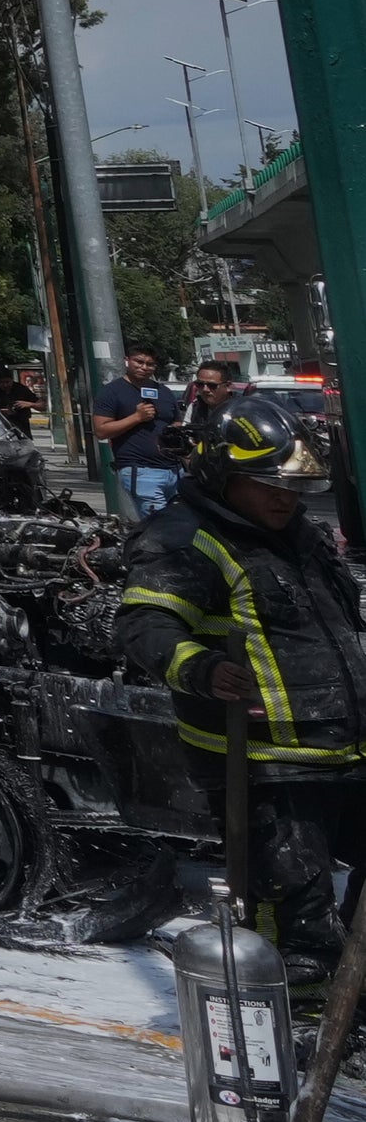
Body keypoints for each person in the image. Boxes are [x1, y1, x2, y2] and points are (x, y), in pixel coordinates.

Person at [121, 392, 366, 974]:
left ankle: (352, 993)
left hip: (343, 746)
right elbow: (143, 623)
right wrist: (200, 668)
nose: (286, 498)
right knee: (293, 901)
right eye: (268, 484)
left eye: (295, 487)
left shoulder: (301, 536)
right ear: (222, 474)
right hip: (264, 760)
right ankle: (297, 1027)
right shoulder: (185, 541)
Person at [94, 343, 181, 515]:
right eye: (139, 362)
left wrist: (174, 432)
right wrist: (136, 418)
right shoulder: (112, 392)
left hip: (174, 470)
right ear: (127, 361)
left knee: (179, 523)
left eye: (150, 364)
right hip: (141, 471)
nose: (144, 367)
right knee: (158, 526)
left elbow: (177, 421)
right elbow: (101, 430)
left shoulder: (163, 391)